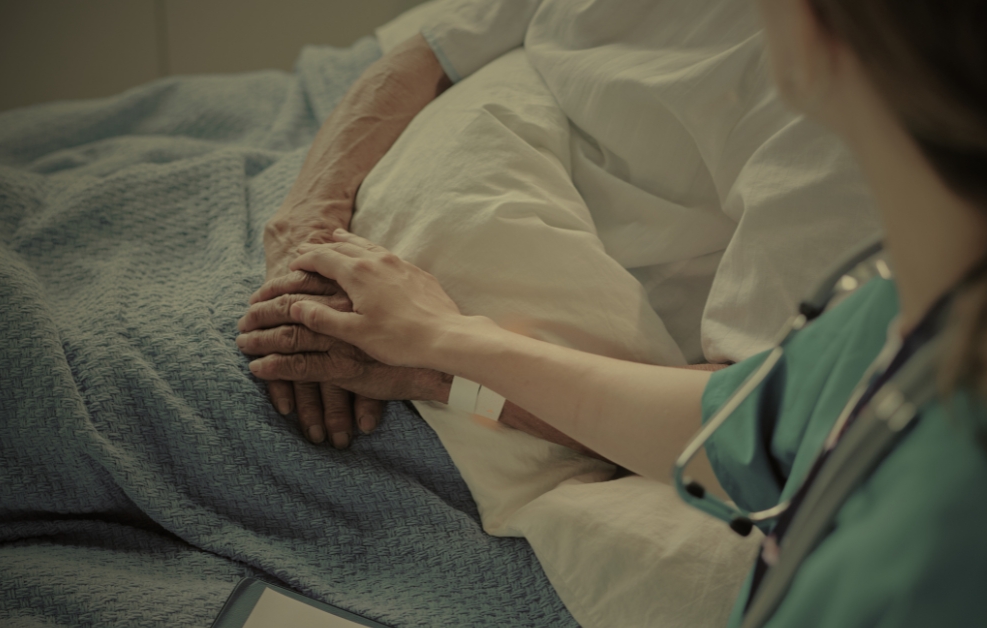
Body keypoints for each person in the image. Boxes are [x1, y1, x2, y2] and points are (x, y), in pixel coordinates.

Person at [238, 0, 987, 624]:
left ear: (818, 37)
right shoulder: (914, 307)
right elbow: (729, 424)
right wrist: (445, 343)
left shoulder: (940, 571)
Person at [241, 0, 881, 451]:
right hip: (345, 250)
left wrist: (436, 365)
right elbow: (431, 49)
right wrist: (305, 242)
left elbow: (748, 423)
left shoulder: (846, 120)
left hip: (495, 381)